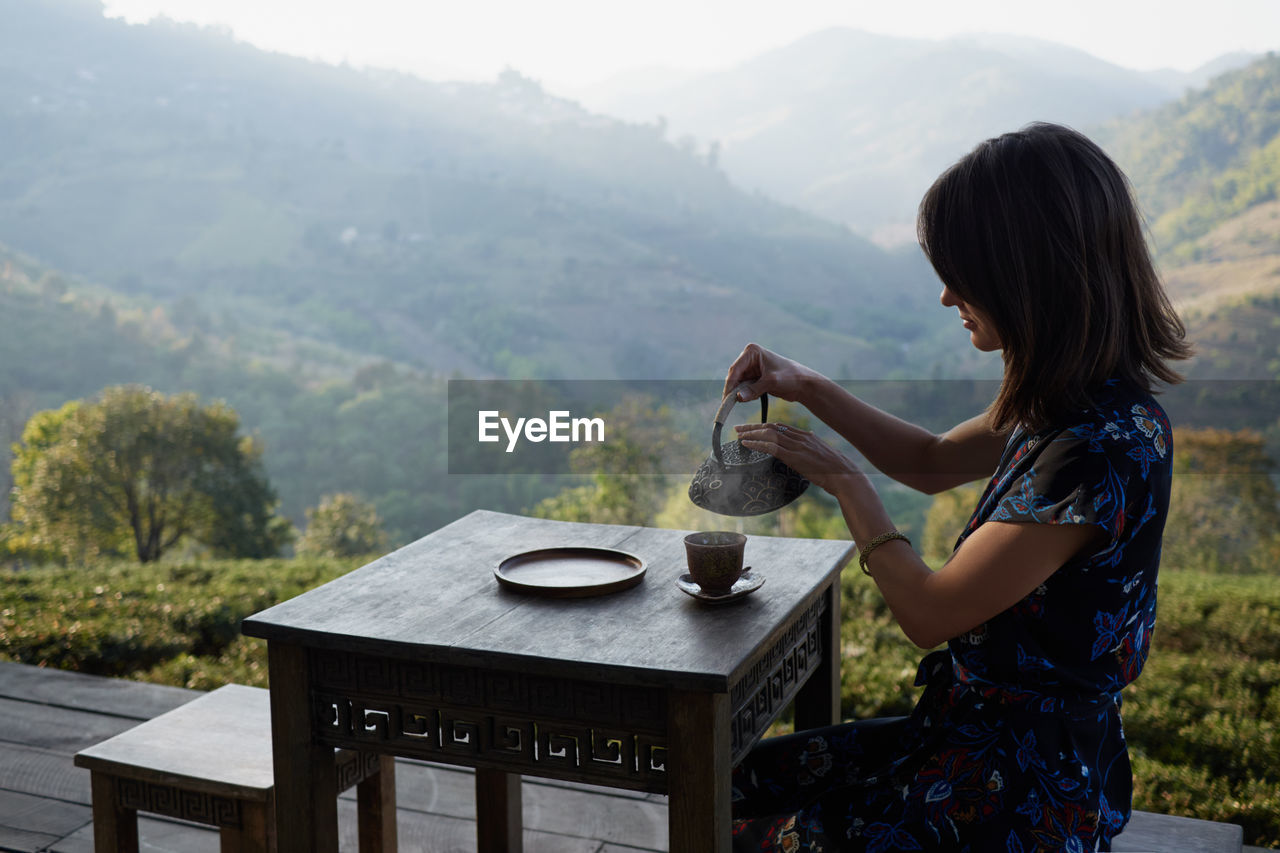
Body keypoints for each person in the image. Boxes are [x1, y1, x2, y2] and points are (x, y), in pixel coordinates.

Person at [722, 122, 1192, 852]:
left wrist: (844, 480)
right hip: (968, 736)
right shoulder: (1073, 402)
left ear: (1029, 275)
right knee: (730, 779)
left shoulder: (1096, 451)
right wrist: (806, 385)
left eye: (963, 273)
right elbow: (933, 460)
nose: (947, 296)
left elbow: (928, 610)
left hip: (1024, 790)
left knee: (760, 831)